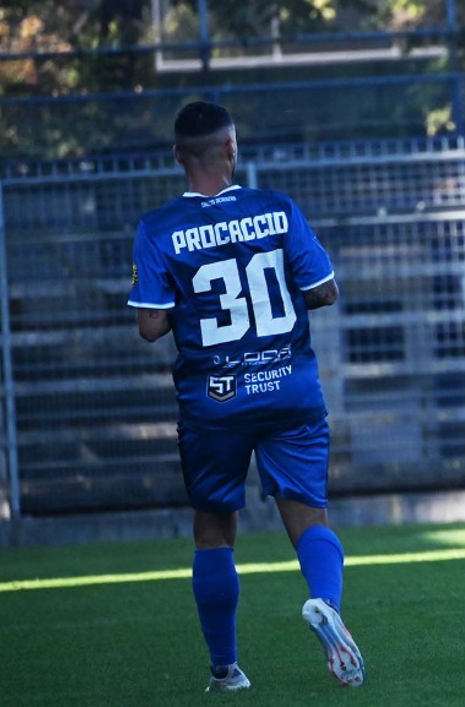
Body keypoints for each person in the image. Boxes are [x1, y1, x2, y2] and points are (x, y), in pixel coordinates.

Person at [127, 102, 365, 689]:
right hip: (289, 387)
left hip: (215, 399)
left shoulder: (158, 229)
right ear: (232, 149)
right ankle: (326, 604)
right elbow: (326, 290)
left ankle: (225, 669)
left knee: (213, 532)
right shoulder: (276, 208)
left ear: (178, 155)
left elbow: (150, 327)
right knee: (309, 517)